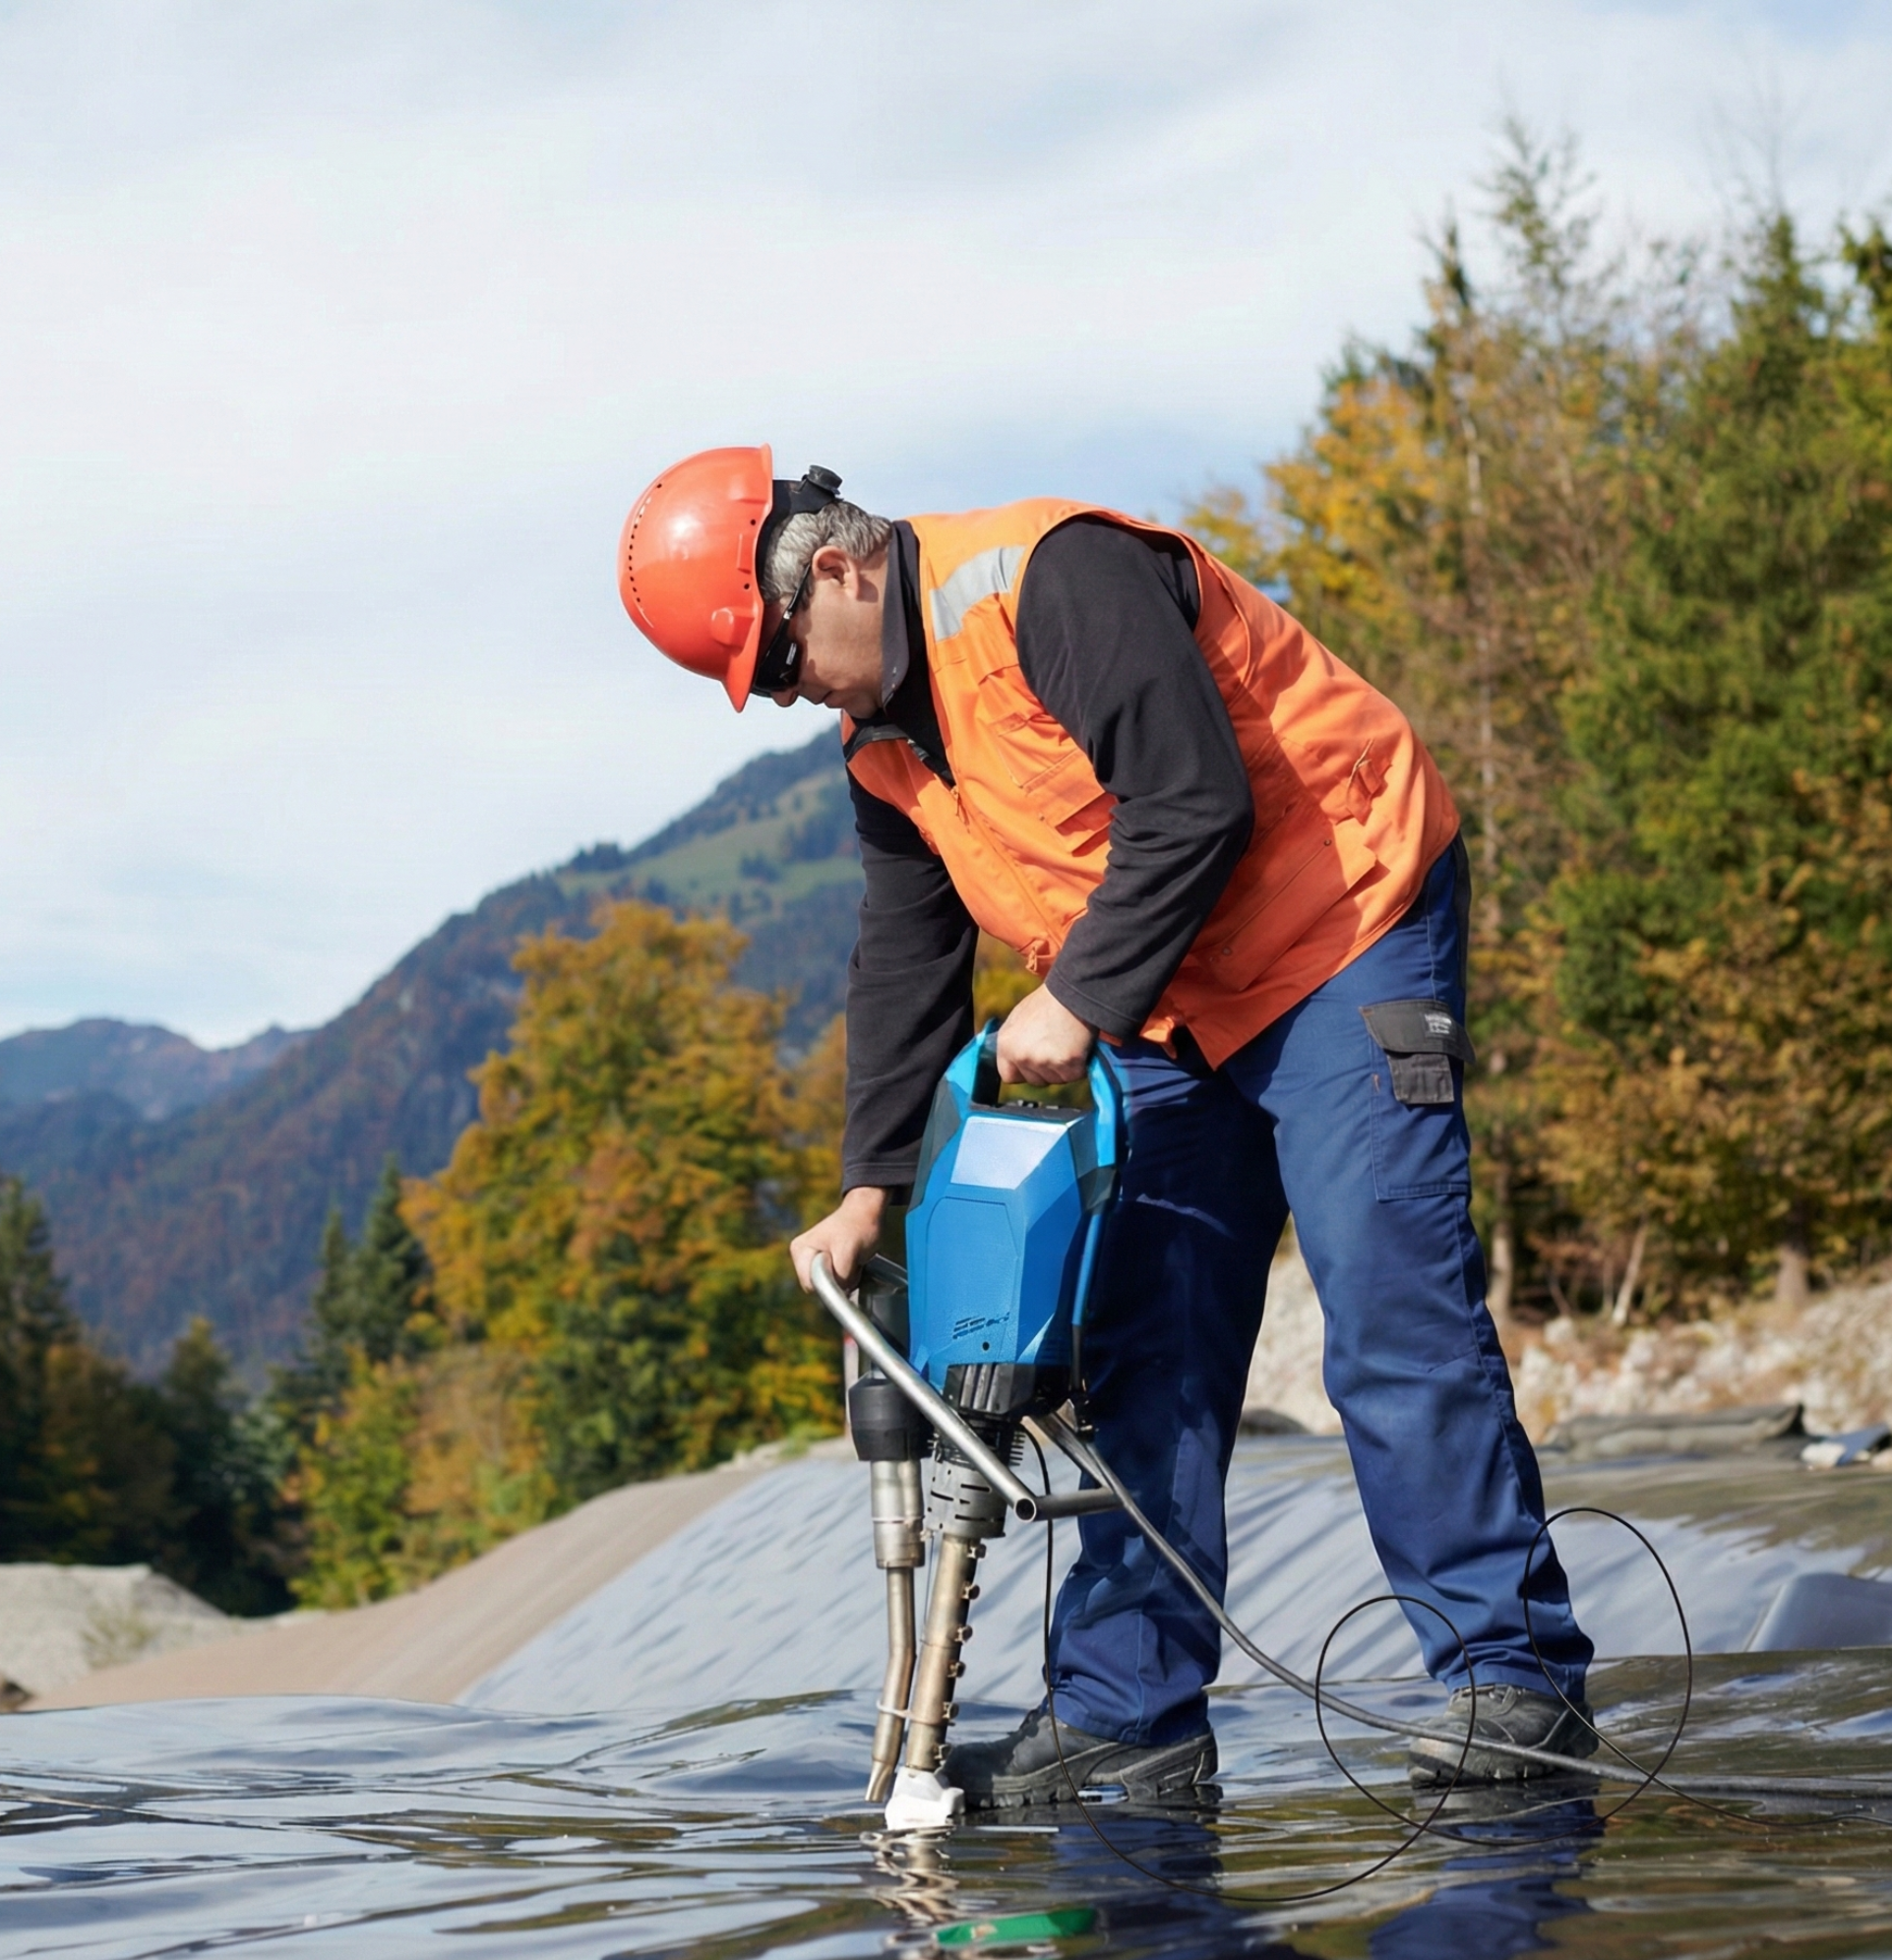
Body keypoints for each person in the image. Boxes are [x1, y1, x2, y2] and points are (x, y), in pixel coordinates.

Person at [617, 445, 1597, 1807]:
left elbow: (1198, 799)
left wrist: (1074, 999)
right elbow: (906, 956)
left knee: (1389, 1317)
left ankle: (1517, 1683)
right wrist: (867, 1189)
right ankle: (1130, 1717)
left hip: (1344, 928)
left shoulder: (1049, 582)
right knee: (1146, 1347)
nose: (791, 697)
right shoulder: (883, 747)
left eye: (780, 664)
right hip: (1173, 998)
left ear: (836, 569)